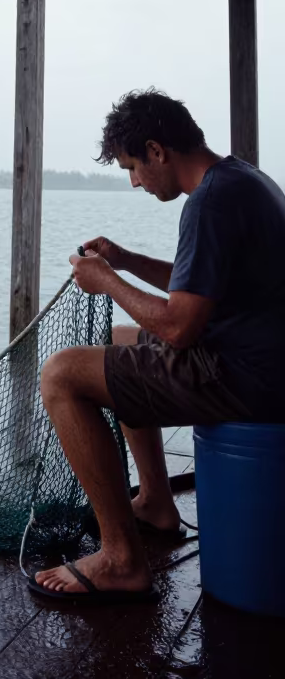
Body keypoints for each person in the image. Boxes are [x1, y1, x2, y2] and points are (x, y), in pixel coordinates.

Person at [32, 88, 285, 604]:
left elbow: (178, 328)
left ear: (156, 150)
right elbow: (199, 289)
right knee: (120, 341)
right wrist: (125, 261)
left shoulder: (211, 202)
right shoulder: (240, 179)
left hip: (246, 377)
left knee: (60, 374)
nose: (134, 182)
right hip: (262, 359)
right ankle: (154, 502)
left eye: (132, 167)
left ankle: (121, 559)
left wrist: (105, 281)